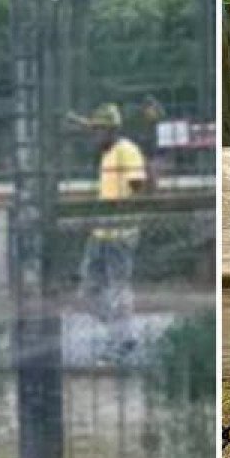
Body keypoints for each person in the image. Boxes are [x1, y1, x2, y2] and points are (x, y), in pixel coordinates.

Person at [69, 103, 146, 362]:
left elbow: (138, 187)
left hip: (120, 233)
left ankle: (122, 341)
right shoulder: (108, 154)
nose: (93, 137)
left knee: (118, 289)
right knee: (88, 292)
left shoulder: (126, 151)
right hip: (100, 232)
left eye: (97, 131)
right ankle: (123, 334)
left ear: (109, 130)